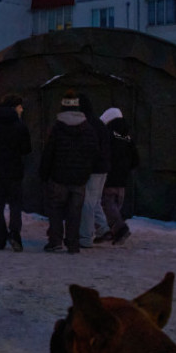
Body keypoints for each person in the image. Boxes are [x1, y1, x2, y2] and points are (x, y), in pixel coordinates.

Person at [38, 89, 98, 254]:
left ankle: (56, 241)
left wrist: (44, 173)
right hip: (79, 179)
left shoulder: (56, 128)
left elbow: (49, 153)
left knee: (56, 210)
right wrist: (86, 171)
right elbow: (94, 152)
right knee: (75, 212)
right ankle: (73, 243)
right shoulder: (88, 129)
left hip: (58, 177)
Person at [0, 93, 32, 252]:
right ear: (14, 107)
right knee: (15, 205)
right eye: (20, 106)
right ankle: (15, 235)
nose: (22, 109)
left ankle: (0, 238)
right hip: (15, 171)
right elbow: (26, 149)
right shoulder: (20, 126)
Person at [95, 107, 140, 245]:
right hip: (123, 179)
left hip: (109, 177)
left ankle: (120, 229)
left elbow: (102, 153)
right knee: (115, 206)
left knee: (106, 205)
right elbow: (135, 159)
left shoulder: (107, 135)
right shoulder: (127, 137)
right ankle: (111, 232)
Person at [78, 93, 111, 249]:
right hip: (103, 168)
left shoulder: (86, 124)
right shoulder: (98, 123)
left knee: (87, 203)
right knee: (95, 200)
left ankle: (85, 237)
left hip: (93, 169)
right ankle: (103, 229)